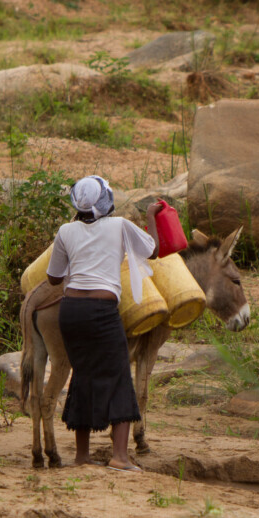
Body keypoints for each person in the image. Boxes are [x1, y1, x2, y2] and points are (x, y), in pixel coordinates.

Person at [45, 174, 159, 472]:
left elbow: (53, 278)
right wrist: (150, 216)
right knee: (119, 374)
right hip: (101, 309)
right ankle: (120, 457)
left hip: (70, 311)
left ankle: (82, 456)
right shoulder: (120, 225)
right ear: (106, 201)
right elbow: (154, 249)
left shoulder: (66, 230)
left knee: (82, 374)